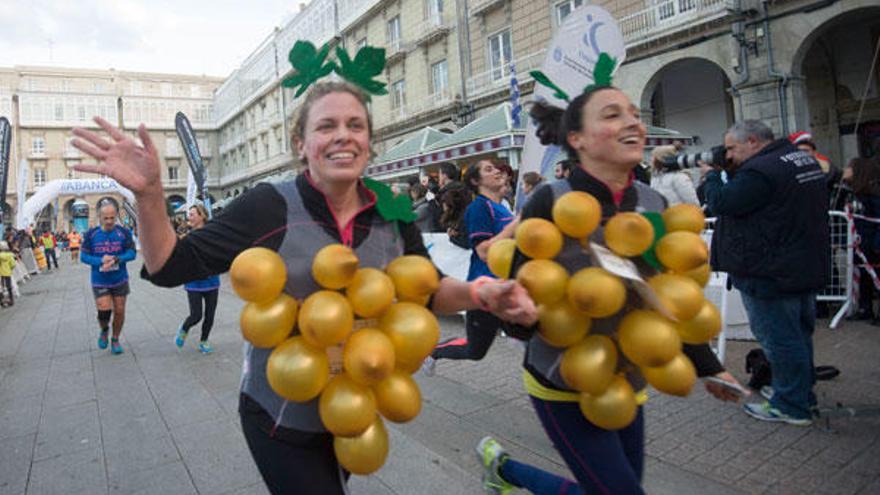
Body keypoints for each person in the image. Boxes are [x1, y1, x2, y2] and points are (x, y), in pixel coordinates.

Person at [71, 80, 536, 495]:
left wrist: (481, 294)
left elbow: (428, 287)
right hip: (280, 414)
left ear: (369, 143)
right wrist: (150, 196)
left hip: (356, 410)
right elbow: (171, 264)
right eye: (326, 125)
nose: (342, 135)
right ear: (301, 143)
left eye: (356, 125)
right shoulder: (268, 205)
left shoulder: (392, 209)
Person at [475, 83, 745, 495]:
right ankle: (507, 473)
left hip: (628, 380)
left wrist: (708, 366)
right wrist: (521, 318)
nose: (632, 121)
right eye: (612, 114)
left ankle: (506, 472)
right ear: (576, 139)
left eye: (634, 113)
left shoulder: (653, 203)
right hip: (561, 380)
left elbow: (661, 293)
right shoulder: (550, 199)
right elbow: (518, 296)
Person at [702, 120, 829, 426]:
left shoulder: (761, 172)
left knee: (779, 339)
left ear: (754, 142)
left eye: (732, 148)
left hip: (769, 270)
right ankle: (800, 395)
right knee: (798, 335)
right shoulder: (798, 159)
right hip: (800, 263)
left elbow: (722, 202)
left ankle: (790, 404)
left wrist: (711, 176)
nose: (729, 154)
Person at [425, 159, 518, 373]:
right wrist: (515, 226)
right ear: (476, 181)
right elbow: (483, 251)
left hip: (507, 287)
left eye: (495, 168)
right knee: (475, 351)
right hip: (484, 290)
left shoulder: (502, 208)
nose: (496, 171)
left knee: (533, 338)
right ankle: (435, 351)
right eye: (488, 169)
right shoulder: (479, 207)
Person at [80, 203, 137, 355]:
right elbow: (83, 257)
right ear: (100, 217)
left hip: (120, 279)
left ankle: (115, 338)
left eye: (112, 218)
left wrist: (117, 259)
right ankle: (104, 330)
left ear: (116, 216)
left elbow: (132, 253)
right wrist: (100, 260)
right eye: (106, 218)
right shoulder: (91, 234)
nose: (110, 221)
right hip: (100, 280)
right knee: (104, 311)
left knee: (119, 311)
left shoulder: (124, 232)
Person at [172, 204, 222, 353]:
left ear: (202, 216)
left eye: (193, 214)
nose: (189, 217)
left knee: (210, 315)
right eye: (190, 214)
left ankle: (204, 341)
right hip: (194, 282)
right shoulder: (186, 236)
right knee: (196, 315)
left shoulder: (213, 235)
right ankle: (184, 328)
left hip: (212, 281)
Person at [845, 156, 880, 322]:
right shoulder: (852, 192)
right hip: (859, 242)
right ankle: (865, 308)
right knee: (864, 277)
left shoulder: (873, 197)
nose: (846, 170)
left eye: (849, 167)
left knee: (875, 276)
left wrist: (877, 244)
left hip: (871, 242)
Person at [0, 241, 15, 307]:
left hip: (1, 273)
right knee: (9, 287)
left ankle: (3, 302)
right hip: (8, 273)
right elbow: (13, 264)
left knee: (2, 287)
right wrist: (10, 268)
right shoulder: (9, 255)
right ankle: (11, 300)